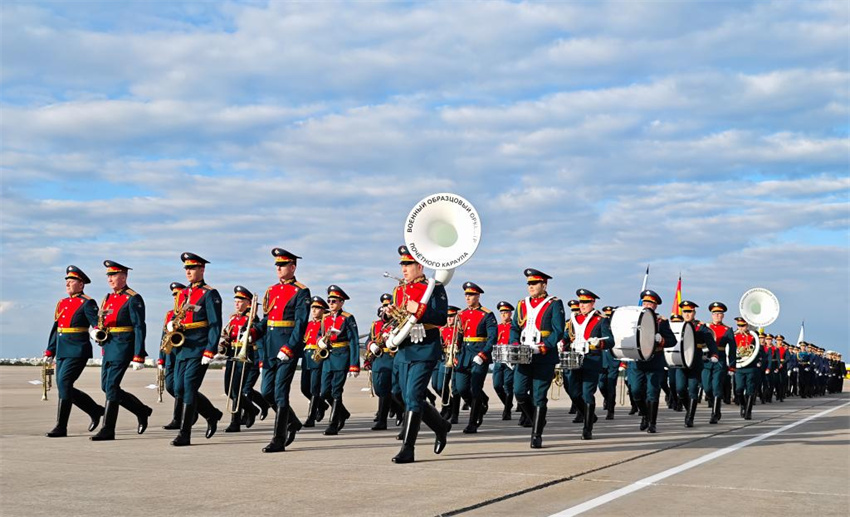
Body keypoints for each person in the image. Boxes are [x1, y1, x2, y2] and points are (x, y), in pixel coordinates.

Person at [387, 245, 450, 464]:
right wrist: (388, 315)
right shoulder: (399, 290)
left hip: (425, 348)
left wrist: (419, 310)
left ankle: (408, 448)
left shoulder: (433, 287)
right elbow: (398, 317)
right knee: (408, 397)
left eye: (408, 264)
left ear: (419, 265)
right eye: (402, 265)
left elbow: (442, 318)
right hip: (405, 348)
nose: (403, 269)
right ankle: (441, 426)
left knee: (413, 396)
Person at [252, 248, 311, 453]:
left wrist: (290, 347)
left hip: (287, 349)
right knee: (267, 392)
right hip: (270, 348)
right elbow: (268, 321)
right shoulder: (271, 290)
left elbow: (300, 324)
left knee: (280, 394)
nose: (278, 268)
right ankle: (292, 421)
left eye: (283, 264)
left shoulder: (301, 291)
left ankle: (278, 439)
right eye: (277, 265)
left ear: (293, 267)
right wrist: (252, 332)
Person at [90, 260, 151, 441]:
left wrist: (139, 354)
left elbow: (140, 327)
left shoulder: (133, 298)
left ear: (124, 277)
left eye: (113, 275)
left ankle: (108, 429)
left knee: (111, 387)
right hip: (108, 346)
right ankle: (142, 410)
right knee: (106, 387)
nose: (110, 279)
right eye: (108, 275)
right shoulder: (108, 298)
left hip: (124, 346)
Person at [169, 253, 224, 447]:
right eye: (186, 268)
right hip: (183, 347)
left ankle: (185, 434)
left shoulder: (210, 293)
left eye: (192, 268)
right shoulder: (183, 294)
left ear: (202, 270)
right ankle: (212, 414)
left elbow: (215, 324)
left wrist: (210, 349)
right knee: (178, 389)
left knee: (189, 388)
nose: (188, 272)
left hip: (200, 347)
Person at [44, 266, 104, 437]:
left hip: (78, 349)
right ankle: (95, 410)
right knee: (64, 386)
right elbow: (57, 329)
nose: (68, 284)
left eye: (72, 281)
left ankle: (61, 427)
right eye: (67, 281)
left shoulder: (87, 303)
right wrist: (50, 351)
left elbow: (96, 326)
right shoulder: (62, 303)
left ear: (81, 284)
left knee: (64, 384)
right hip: (62, 350)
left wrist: (97, 334)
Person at [511, 268, 566, 449]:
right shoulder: (522, 304)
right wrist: (515, 344)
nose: (531, 287)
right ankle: (537, 419)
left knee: (539, 396)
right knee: (519, 392)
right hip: (524, 355)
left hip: (544, 356)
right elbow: (514, 328)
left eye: (534, 283)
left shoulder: (554, 304)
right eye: (529, 284)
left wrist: (544, 346)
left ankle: (536, 434)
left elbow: (558, 330)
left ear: (544, 284)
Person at [561, 289, 613, 440]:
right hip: (574, 360)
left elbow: (611, 340)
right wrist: (562, 342)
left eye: (585, 302)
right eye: (581, 302)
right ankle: (589, 415)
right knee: (573, 392)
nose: (582, 305)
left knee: (587, 394)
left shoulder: (601, 320)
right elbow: (566, 336)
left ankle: (587, 428)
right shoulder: (573, 320)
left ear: (593, 303)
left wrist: (599, 343)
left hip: (591, 360)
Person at [628, 290, 677, 434]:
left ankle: (652, 423)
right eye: (645, 302)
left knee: (652, 392)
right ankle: (644, 414)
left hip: (655, 360)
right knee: (635, 391)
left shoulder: (661, 322)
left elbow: (672, 341)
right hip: (638, 361)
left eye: (650, 303)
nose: (647, 305)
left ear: (656, 306)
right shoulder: (634, 319)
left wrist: (661, 340)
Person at [452, 282, 497, 434]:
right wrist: (456, 354)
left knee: (475, 388)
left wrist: (484, 354)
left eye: (471, 295)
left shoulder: (487, 314)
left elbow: (492, 338)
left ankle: (473, 421)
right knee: (461, 388)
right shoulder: (462, 314)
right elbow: (458, 336)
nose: (468, 297)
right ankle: (481, 405)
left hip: (479, 354)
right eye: (466, 295)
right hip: (464, 353)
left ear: (478, 296)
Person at [219, 285, 261, 433]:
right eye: (236, 301)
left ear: (248, 303)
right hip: (232, 353)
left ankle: (235, 422)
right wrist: (222, 344)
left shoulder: (252, 319)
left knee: (236, 390)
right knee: (228, 389)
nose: (237, 303)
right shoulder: (233, 318)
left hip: (245, 354)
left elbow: (256, 335)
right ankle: (252, 409)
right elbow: (226, 334)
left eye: (240, 301)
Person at [319, 285, 360, 436]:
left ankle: (333, 424)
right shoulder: (325, 317)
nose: (330, 303)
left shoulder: (348, 318)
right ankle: (343, 413)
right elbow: (319, 333)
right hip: (328, 356)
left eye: (334, 301)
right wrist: (320, 341)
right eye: (329, 300)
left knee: (336, 391)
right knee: (324, 392)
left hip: (342, 356)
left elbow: (354, 341)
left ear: (342, 302)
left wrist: (354, 365)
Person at [675, 301, 718, 428]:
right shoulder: (677, 326)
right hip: (681, 363)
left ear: (694, 313)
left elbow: (711, 343)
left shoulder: (701, 328)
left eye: (690, 311)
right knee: (680, 389)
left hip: (695, 363)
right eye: (685, 311)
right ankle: (689, 409)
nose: (687, 314)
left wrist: (714, 354)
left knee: (693, 390)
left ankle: (690, 417)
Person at [159, 282, 186, 430]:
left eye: (179, 294)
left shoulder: (188, 312)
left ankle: (178, 418)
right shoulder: (170, 314)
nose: (176, 297)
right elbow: (164, 336)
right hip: (170, 354)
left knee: (180, 388)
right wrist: (161, 357)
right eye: (174, 295)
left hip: (183, 353)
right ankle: (192, 409)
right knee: (170, 386)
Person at [366, 293, 395, 431]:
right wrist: (371, 345)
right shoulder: (376, 324)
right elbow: (369, 339)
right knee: (379, 389)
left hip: (393, 357)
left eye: (387, 306)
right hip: (380, 358)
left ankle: (383, 420)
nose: (385, 309)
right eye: (383, 306)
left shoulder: (398, 322)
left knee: (392, 391)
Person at [301, 296, 330, 427]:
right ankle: (322, 405)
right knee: (304, 388)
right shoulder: (308, 324)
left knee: (314, 389)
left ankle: (311, 418)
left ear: (324, 310)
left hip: (318, 358)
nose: (314, 310)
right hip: (307, 358)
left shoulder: (325, 324)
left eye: (317, 308)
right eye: (313, 307)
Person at [705, 302, 736, 423]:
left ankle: (715, 412)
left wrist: (732, 366)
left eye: (720, 314)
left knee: (716, 386)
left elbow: (732, 349)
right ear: (712, 315)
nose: (717, 316)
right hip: (706, 360)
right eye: (715, 313)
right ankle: (714, 405)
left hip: (720, 361)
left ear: (723, 316)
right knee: (707, 387)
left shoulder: (727, 330)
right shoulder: (706, 328)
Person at [492, 301, 515, 421]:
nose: (503, 315)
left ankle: (507, 410)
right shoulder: (498, 327)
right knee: (496, 385)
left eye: (506, 312)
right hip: (499, 358)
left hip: (510, 359)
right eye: (501, 313)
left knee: (508, 386)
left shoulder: (514, 327)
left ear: (510, 313)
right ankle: (508, 403)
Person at [598, 306, 620, 420]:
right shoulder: (601, 324)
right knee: (601, 385)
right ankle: (607, 398)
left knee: (611, 386)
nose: (607, 316)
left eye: (609, 315)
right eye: (605, 314)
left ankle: (611, 410)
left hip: (613, 360)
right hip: (602, 360)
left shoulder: (617, 327)